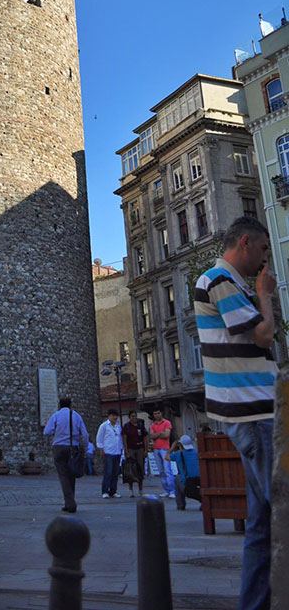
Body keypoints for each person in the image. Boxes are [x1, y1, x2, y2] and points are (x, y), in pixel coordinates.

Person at [195, 216, 277, 610]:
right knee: (281, 511)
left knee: (264, 523)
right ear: (244, 243)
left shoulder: (229, 283)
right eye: (263, 250)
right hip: (251, 414)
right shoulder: (219, 280)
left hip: (254, 412)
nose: (265, 261)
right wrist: (265, 295)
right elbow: (263, 335)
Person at [43, 397, 88, 512]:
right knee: (71, 475)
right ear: (70, 405)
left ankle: (70, 503)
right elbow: (84, 434)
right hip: (73, 447)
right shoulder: (76, 416)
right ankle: (70, 501)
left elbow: (47, 432)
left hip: (58, 447)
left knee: (63, 476)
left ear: (60, 405)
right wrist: (84, 448)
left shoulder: (56, 416)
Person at [167, 434, 201, 510]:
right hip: (199, 482)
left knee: (177, 478)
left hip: (187, 484)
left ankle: (180, 504)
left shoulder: (178, 455)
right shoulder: (197, 453)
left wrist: (172, 448)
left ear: (181, 445)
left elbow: (166, 457)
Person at [96, 409, 123, 498]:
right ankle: (105, 491)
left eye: (116, 415)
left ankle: (113, 490)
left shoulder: (118, 427)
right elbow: (99, 438)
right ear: (109, 416)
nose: (115, 417)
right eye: (113, 415)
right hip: (108, 452)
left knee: (115, 473)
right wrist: (101, 449)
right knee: (108, 472)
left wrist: (121, 449)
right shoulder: (104, 426)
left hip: (117, 452)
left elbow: (120, 438)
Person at [122, 410, 147, 497]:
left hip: (139, 448)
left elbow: (144, 438)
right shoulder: (127, 426)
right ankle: (131, 490)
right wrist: (126, 451)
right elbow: (124, 438)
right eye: (132, 416)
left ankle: (140, 490)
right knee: (131, 470)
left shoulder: (140, 426)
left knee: (140, 469)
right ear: (129, 417)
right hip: (131, 449)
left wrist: (145, 450)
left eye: (135, 416)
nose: (134, 418)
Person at [150, 407, 174, 498]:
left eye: (158, 413)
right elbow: (151, 435)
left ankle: (172, 490)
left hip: (165, 449)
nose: (157, 415)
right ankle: (166, 490)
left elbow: (167, 434)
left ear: (161, 413)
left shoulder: (167, 423)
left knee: (167, 470)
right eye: (155, 414)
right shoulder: (153, 425)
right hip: (156, 449)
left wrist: (157, 434)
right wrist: (161, 433)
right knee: (161, 471)